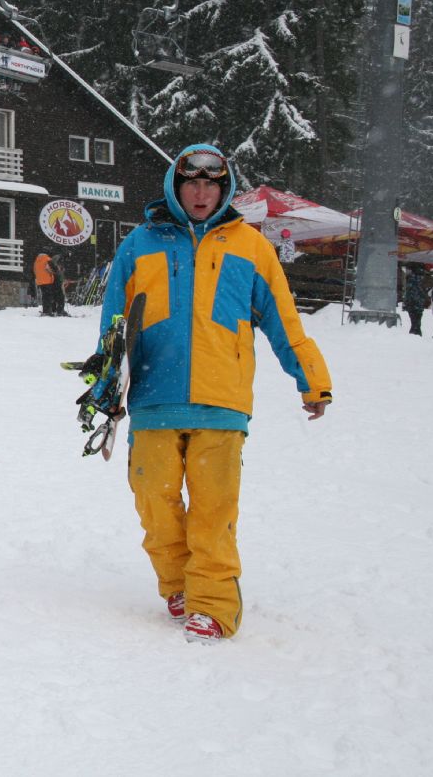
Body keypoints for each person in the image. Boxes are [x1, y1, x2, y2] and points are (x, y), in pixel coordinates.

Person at [92, 143, 332, 642]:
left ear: (224, 189)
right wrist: (106, 385)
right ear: (174, 186)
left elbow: (285, 321)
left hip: (222, 402)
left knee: (213, 509)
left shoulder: (250, 247)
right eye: (191, 183)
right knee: (153, 504)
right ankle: (178, 583)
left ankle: (214, 604)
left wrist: (311, 379)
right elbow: (113, 324)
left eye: (211, 185)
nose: (201, 193)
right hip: (154, 399)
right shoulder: (140, 244)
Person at [401, 266, 429, 336]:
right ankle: (415, 336)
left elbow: (409, 294)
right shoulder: (418, 282)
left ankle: (415, 336)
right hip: (417, 305)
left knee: (415, 323)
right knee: (416, 323)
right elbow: (418, 294)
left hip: (414, 305)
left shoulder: (411, 281)